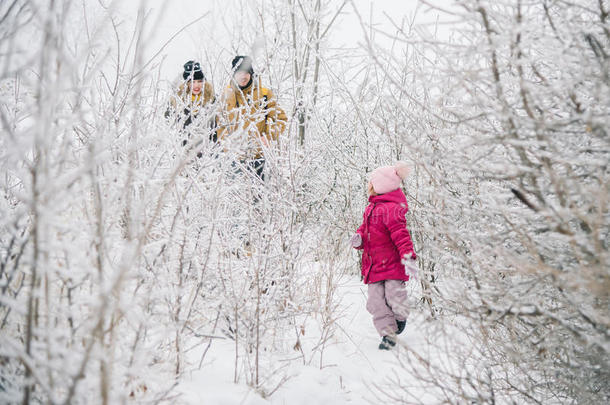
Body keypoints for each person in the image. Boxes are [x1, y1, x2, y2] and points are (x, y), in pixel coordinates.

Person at [351, 162, 418, 350]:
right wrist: (359, 239)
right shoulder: (370, 209)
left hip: (393, 265)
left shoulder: (392, 210)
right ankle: (388, 333)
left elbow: (401, 235)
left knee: (394, 295)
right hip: (373, 265)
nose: (369, 187)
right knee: (374, 301)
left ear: (381, 186)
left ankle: (400, 318)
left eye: (372, 183)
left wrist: (408, 257)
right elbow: (364, 231)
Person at [216, 55, 287, 181]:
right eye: (239, 73)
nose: (243, 76)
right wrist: (227, 143)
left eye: (246, 72)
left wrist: (268, 137)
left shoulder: (264, 94)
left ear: (251, 73)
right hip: (234, 159)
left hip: (258, 157)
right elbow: (220, 125)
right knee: (234, 197)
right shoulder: (225, 95)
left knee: (258, 198)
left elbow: (281, 119)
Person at [165, 60, 216, 152]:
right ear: (187, 83)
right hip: (182, 153)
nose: (196, 85)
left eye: (199, 81)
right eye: (192, 81)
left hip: (207, 154)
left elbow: (218, 128)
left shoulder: (212, 100)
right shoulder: (176, 102)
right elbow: (169, 127)